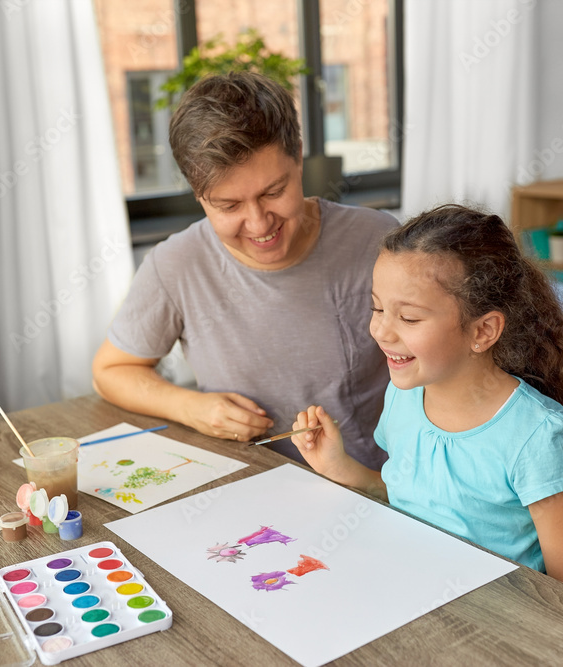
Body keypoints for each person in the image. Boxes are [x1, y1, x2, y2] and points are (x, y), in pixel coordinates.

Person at [92, 71, 397, 469]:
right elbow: (110, 371)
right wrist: (189, 407)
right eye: (229, 206)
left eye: (274, 192)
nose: (258, 224)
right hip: (245, 488)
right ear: (198, 194)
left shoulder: (379, 241)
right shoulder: (177, 264)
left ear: (299, 156)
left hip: (374, 486)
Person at [291, 204, 563, 596]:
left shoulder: (538, 437)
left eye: (410, 318)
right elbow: (416, 502)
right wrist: (340, 467)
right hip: (404, 592)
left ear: (483, 330)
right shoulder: (403, 398)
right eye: (377, 308)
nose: (381, 331)